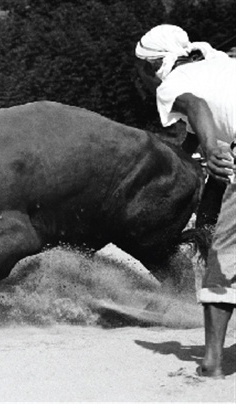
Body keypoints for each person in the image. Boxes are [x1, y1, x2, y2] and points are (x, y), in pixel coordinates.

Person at [135, 24, 236, 378]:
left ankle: (211, 363)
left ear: (152, 66)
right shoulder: (217, 63)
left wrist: (210, 150)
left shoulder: (174, 85)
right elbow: (197, 134)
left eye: (140, 69)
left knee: (224, 261)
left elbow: (195, 106)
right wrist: (206, 218)